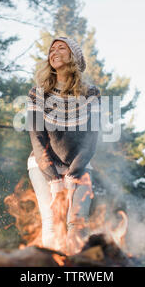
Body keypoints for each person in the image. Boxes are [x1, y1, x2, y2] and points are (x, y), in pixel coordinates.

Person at [26, 36, 101, 255]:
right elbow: (36, 138)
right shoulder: (37, 93)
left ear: (74, 57)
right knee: (52, 221)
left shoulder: (91, 93)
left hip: (80, 164)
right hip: (43, 166)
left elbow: (91, 139)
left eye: (61, 48)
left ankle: (77, 267)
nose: (54, 52)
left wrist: (72, 175)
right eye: (51, 49)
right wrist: (54, 180)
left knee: (77, 222)